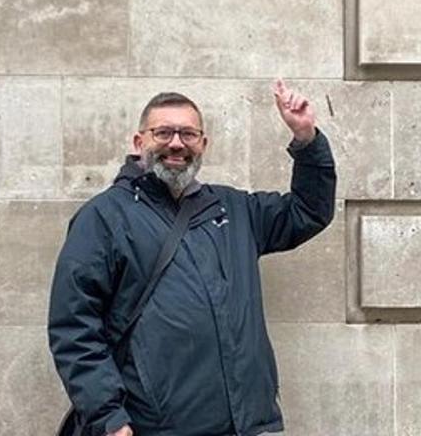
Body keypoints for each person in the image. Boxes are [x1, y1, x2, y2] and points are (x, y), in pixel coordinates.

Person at [48, 80, 336, 436]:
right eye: (163, 132)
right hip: (155, 427)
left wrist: (306, 140)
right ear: (139, 142)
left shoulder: (235, 209)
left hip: (247, 424)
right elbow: (74, 327)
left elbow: (309, 211)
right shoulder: (104, 218)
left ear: (203, 144)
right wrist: (109, 417)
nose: (176, 143)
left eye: (187, 134)